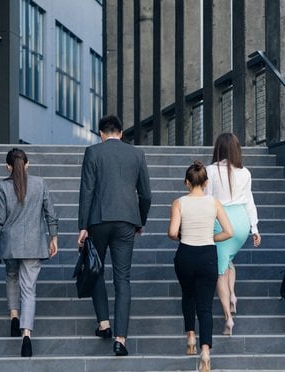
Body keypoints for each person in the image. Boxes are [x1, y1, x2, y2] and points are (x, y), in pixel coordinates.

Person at [77, 114, 152, 356]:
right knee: (123, 278)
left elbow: (87, 191)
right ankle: (121, 339)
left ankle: (104, 324)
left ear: (101, 133)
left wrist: (83, 226)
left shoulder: (93, 153)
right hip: (127, 221)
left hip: (98, 220)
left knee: (96, 268)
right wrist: (139, 220)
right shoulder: (137, 154)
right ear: (121, 133)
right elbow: (146, 195)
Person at [0, 148, 58, 358]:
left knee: (11, 277)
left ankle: (14, 316)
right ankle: (26, 334)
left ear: (8, 166)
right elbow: (50, 213)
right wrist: (53, 237)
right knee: (29, 289)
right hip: (34, 244)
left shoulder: (3, 186)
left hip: (10, 244)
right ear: (27, 164)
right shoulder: (39, 183)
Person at [168, 161, 233, 372]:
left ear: (187, 182)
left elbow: (171, 232)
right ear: (206, 183)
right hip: (207, 255)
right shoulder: (214, 203)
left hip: (186, 254)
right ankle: (205, 351)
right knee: (205, 306)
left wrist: (184, 236)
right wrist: (211, 237)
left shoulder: (179, 203)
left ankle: (190, 337)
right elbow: (229, 232)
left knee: (188, 296)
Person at [205, 133, 261, 336]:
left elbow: (207, 199)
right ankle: (233, 296)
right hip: (241, 221)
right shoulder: (245, 172)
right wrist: (254, 228)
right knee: (227, 261)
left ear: (218, 149)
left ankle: (228, 318)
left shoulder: (210, 171)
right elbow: (249, 201)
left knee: (220, 271)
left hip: (221, 221)